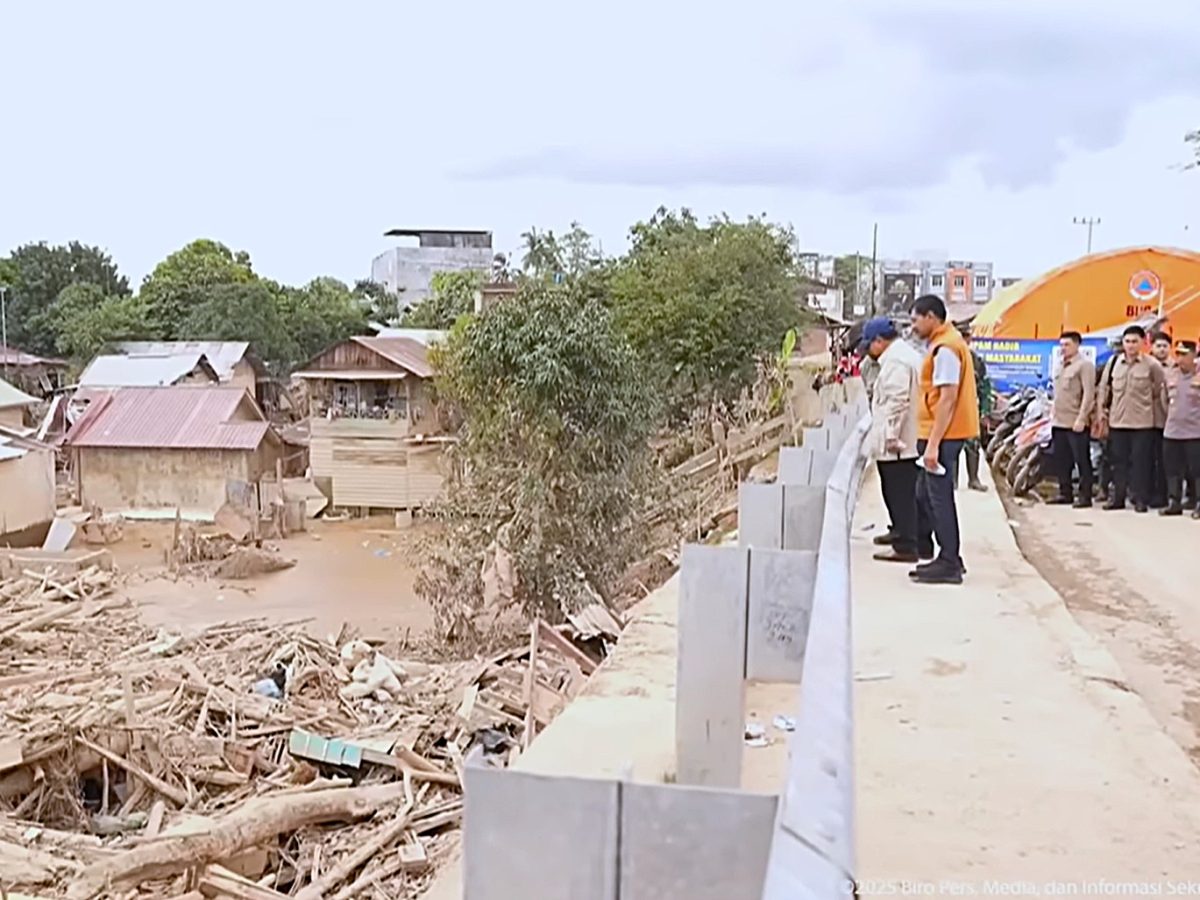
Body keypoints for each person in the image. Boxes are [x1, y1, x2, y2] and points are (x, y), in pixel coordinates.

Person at [909, 295, 979, 585]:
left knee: (939, 499)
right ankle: (947, 556)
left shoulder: (946, 349)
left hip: (943, 435)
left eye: (915, 320)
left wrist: (934, 444)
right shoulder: (945, 343)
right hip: (939, 433)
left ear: (931, 317)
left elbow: (947, 398)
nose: (913, 326)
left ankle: (949, 561)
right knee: (926, 494)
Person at [860, 317, 924, 563]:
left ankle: (906, 545)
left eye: (870, 346)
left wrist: (890, 437)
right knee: (901, 491)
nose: (869, 352)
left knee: (900, 492)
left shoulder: (896, 361)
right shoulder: (900, 356)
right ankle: (905, 534)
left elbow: (897, 402)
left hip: (898, 443)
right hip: (903, 440)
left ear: (879, 341)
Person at [1099, 325, 1168, 512]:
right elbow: (1105, 390)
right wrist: (1101, 412)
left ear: (1143, 343)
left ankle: (1140, 499)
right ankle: (1118, 498)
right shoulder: (1114, 363)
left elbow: (1158, 390)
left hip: (1142, 423)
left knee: (1141, 463)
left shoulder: (1152, 365)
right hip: (1117, 421)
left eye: (1134, 341)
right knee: (1118, 463)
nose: (1130, 346)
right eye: (1127, 341)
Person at [1049, 331, 1096, 506]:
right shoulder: (1061, 365)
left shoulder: (1084, 366)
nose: (1063, 348)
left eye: (1067, 345)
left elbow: (1088, 393)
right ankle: (1065, 492)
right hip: (1059, 421)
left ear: (1077, 345)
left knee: (1081, 460)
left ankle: (1085, 496)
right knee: (1062, 460)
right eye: (1061, 345)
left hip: (1075, 421)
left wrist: (1082, 418)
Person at [1161, 339, 1200, 518]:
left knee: (1197, 471)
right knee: (1173, 469)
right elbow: (1163, 400)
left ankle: (1198, 503)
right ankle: (1174, 502)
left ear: (1194, 355)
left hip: (1195, 431)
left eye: (1184, 354)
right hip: (1172, 431)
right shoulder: (1170, 374)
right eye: (1178, 354)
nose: (1180, 358)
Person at [960, 332, 992, 492]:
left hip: (970, 409)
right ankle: (951, 482)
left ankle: (974, 479)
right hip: (949, 410)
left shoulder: (976, 362)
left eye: (965, 338)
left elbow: (985, 388)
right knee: (949, 448)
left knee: (973, 445)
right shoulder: (946, 357)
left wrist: (985, 412)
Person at [1149, 331, 1174, 507]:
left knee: (1166, 461)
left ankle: (1165, 495)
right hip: (1146, 421)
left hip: (1169, 422)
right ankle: (1148, 493)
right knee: (1148, 461)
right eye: (1158, 345)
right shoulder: (1145, 365)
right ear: (1151, 347)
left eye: (1165, 346)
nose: (1162, 349)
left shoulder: (1176, 367)